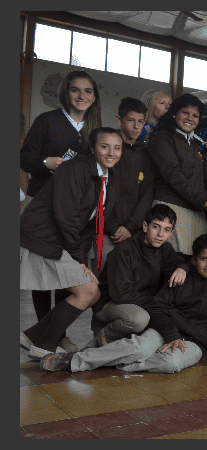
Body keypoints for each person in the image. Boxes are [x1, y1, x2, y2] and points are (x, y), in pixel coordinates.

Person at [40, 234, 207, 374]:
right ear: (194, 260)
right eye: (203, 259)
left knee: (171, 364)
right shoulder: (180, 278)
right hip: (166, 330)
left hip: (196, 342)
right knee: (139, 348)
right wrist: (171, 334)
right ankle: (73, 361)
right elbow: (157, 308)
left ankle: (108, 361)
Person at [20, 127, 121, 359]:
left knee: (92, 292)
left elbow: (91, 221)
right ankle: (44, 345)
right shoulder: (75, 168)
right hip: (41, 237)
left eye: (117, 148)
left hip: (59, 240)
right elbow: (66, 216)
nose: (111, 153)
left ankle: (33, 336)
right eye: (105, 146)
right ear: (93, 148)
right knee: (88, 291)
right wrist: (79, 259)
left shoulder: (108, 177)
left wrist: (81, 258)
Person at [20, 70, 102, 351]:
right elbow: (24, 158)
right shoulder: (47, 121)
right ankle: (46, 333)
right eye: (75, 90)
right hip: (42, 204)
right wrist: (46, 161)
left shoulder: (93, 128)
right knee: (42, 272)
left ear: (95, 96)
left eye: (88, 91)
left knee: (65, 274)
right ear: (66, 93)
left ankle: (57, 333)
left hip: (73, 208)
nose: (82, 96)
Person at [90, 205, 187, 347]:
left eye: (166, 230)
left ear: (171, 233)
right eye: (156, 227)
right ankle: (105, 334)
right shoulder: (124, 250)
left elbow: (178, 264)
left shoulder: (165, 249)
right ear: (145, 226)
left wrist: (182, 268)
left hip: (141, 302)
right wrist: (156, 303)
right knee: (139, 319)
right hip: (109, 303)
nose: (160, 234)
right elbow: (121, 294)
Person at [146, 93, 207, 255]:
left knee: (198, 261)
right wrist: (202, 201)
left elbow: (196, 180)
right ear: (174, 114)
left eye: (195, 115)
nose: (190, 118)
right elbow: (172, 175)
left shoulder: (194, 143)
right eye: (185, 112)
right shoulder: (163, 137)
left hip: (195, 209)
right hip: (171, 207)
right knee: (173, 262)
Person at [97, 97, 155, 274]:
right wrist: (112, 226)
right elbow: (98, 189)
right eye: (131, 120)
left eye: (141, 122)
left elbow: (147, 193)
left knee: (128, 278)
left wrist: (131, 226)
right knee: (101, 277)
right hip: (105, 229)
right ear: (119, 120)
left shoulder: (146, 155)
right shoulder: (107, 150)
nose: (136, 127)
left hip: (133, 231)